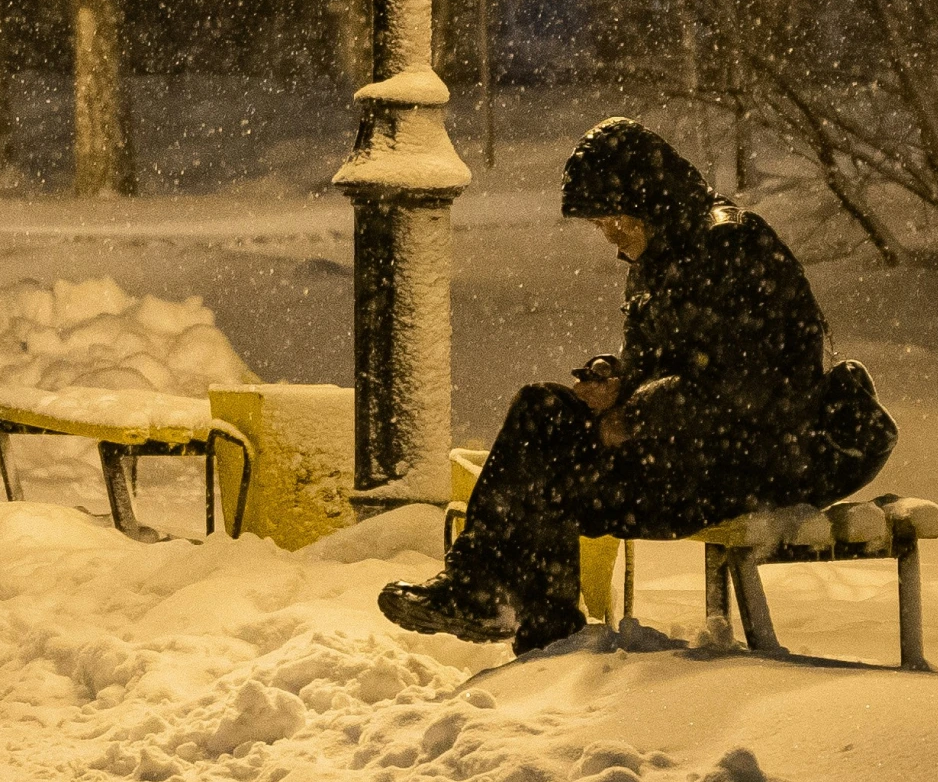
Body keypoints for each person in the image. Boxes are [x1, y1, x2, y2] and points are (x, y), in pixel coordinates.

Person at [378, 118, 896, 655]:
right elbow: (670, 363)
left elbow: (752, 386)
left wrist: (635, 416)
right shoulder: (659, 257)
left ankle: (538, 625)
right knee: (541, 411)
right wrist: (618, 381)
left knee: (550, 475)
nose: (611, 237)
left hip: (749, 463)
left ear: (650, 201)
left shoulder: (731, 244)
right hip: (688, 451)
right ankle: (484, 592)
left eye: (615, 221)